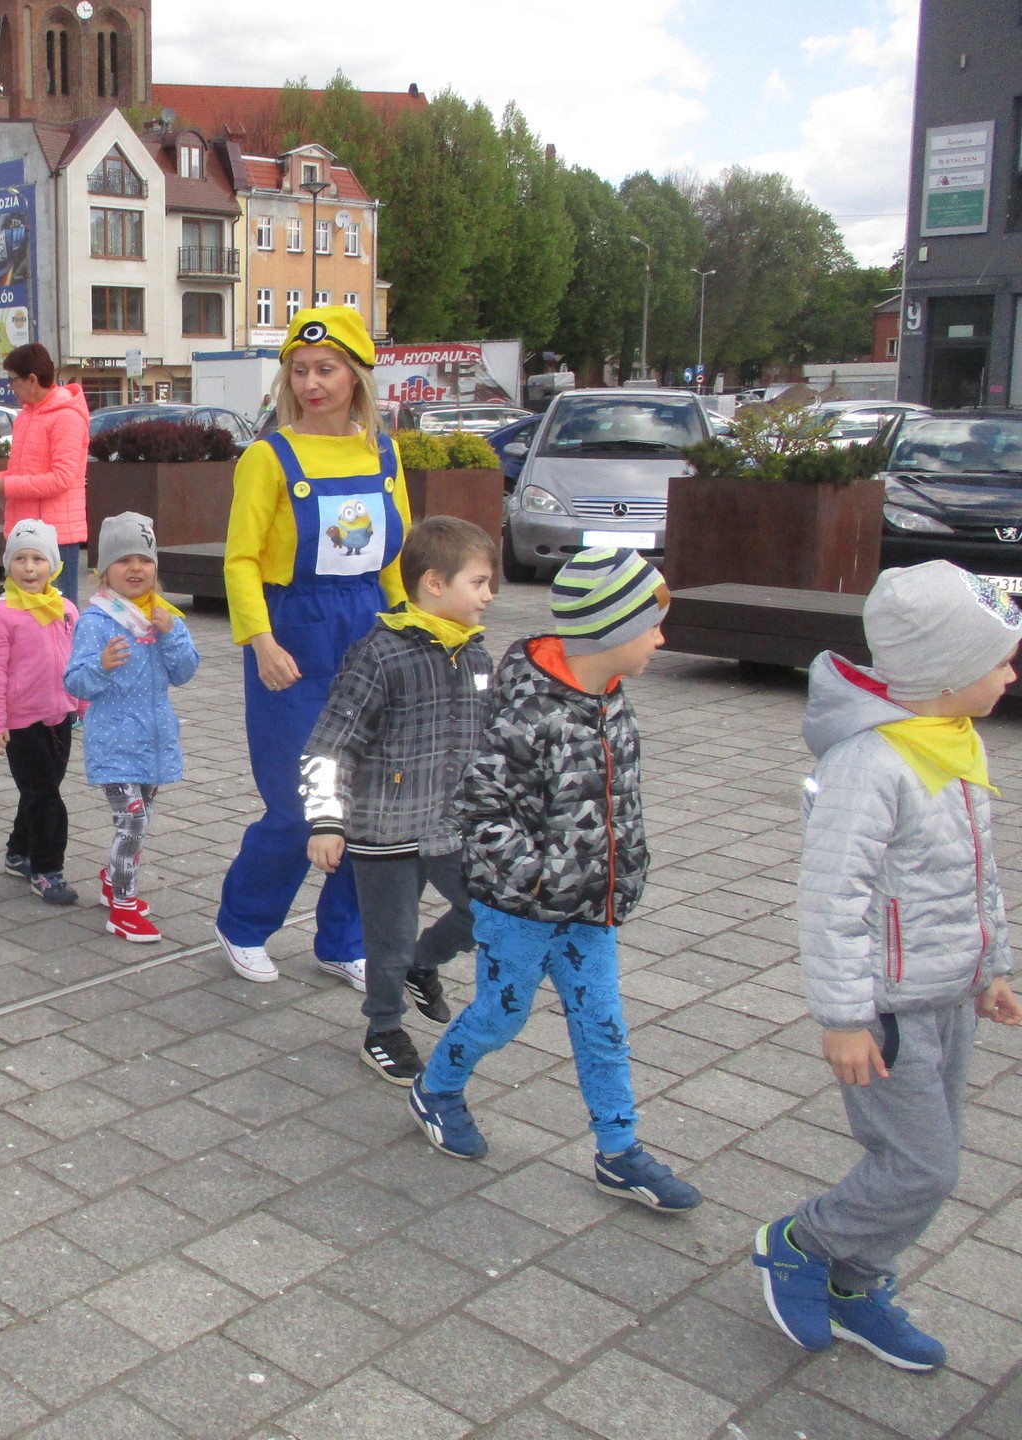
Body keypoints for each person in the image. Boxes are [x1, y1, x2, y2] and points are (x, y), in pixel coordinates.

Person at [754, 561, 1022, 1373]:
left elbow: (976, 872)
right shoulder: (870, 763)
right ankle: (803, 1243)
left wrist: (993, 967)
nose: (1011, 675)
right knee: (922, 1168)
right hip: (887, 1012)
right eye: (1000, 661)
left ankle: (855, 1281)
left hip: (948, 996)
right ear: (944, 674)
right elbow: (831, 897)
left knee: (928, 1160)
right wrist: (844, 1018)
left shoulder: (952, 739)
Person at [407, 548, 702, 1214]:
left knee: (603, 1023)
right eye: (652, 626)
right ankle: (437, 1088)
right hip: (522, 908)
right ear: (609, 630)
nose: (661, 640)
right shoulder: (530, 715)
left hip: (590, 908)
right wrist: (539, 881)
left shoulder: (610, 699)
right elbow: (481, 810)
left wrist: (623, 868)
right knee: (501, 1014)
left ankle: (619, 1150)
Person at [213, 306, 413, 989]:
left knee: (367, 799)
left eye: (326, 369)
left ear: (356, 377)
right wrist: (260, 641)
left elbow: (394, 557)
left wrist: (412, 631)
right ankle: (243, 922)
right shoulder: (267, 457)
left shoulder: (383, 453)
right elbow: (240, 559)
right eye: (299, 371)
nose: (311, 384)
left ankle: (343, 939)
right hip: (292, 636)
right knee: (303, 806)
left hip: (369, 630)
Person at [300, 517, 497, 1084]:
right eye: (478, 582)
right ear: (434, 583)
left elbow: (490, 743)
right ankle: (383, 1029)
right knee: (388, 941)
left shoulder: (476, 657)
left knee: (487, 910)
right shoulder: (380, 656)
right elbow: (329, 744)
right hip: (384, 829)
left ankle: (423, 963)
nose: (489, 595)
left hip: (451, 826)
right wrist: (326, 821)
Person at [63, 512, 199, 944]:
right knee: (133, 823)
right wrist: (101, 666)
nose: (136, 568)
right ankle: (122, 906)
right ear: (104, 571)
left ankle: (113, 877)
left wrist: (172, 633)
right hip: (114, 742)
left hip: (153, 741)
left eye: (144, 559)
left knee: (143, 818)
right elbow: (74, 681)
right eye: (123, 560)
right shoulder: (96, 621)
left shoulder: (164, 617)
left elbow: (184, 672)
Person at [0, 518, 80, 904]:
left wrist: (84, 705)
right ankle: (47, 869)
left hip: (60, 717)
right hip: (21, 722)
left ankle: (18, 851)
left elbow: (78, 661)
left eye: (38, 559)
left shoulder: (66, 608)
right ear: (9, 564)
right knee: (46, 796)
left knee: (41, 790)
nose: (29, 568)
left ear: (52, 565)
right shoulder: (1, 612)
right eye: (20, 558)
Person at [0, 343, 88, 601]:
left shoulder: (67, 417)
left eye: (13, 380)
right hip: (24, 531)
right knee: (25, 612)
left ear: (32, 380)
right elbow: (19, 472)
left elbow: (61, 479)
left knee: (58, 612)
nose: (10, 387)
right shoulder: (26, 416)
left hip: (57, 536)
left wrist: (4, 486)